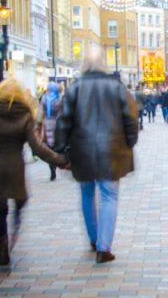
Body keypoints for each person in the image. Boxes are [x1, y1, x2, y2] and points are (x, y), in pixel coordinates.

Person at [0, 78, 68, 266]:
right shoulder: (24, 115)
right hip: (15, 167)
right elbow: (38, 148)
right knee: (20, 201)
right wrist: (61, 161)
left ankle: (2, 245)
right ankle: (15, 226)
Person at [54, 47, 138, 264]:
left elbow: (64, 121)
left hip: (82, 151)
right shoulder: (117, 87)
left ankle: (94, 239)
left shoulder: (74, 89)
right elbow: (131, 117)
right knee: (109, 195)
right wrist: (130, 141)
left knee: (87, 193)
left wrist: (60, 148)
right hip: (112, 150)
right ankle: (104, 247)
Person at [40, 82, 63, 181]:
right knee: (56, 147)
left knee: (49, 147)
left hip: (47, 124)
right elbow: (64, 112)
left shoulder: (44, 98)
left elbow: (40, 112)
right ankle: (56, 163)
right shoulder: (60, 98)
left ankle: (52, 167)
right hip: (58, 124)